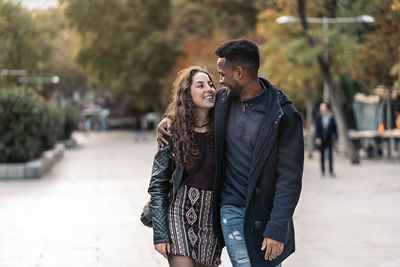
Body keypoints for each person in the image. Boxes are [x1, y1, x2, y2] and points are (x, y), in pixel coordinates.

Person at [157, 39, 304, 267]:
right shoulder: (223, 102)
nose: (219, 82)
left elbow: (290, 179)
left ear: (239, 72)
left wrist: (278, 226)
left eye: (222, 74)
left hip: (265, 213)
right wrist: (169, 122)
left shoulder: (283, 116)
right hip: (231, 208)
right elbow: (191, 111)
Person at [148, 66, 223, 267]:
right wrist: (161, 233)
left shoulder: (224, 129)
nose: (208, 89)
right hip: (179, 214)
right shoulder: (172, 131)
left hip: (211, 221)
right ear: (187, 95)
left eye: (210, 84)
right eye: (200, 85)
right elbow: (158, 184)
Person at [314, 102, 338, 177]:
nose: (322, 110)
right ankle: (323, 171)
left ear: (327, 108)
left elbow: (335, 128)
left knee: (330, 155)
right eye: (321, 108)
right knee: (322, 155)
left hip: (329, 138)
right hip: (321, 139)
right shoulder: (318, 117)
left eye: (323, 108)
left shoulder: (331, 116)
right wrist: (317, 138)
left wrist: (336, 139)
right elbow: (317, 129)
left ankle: (331, 171)